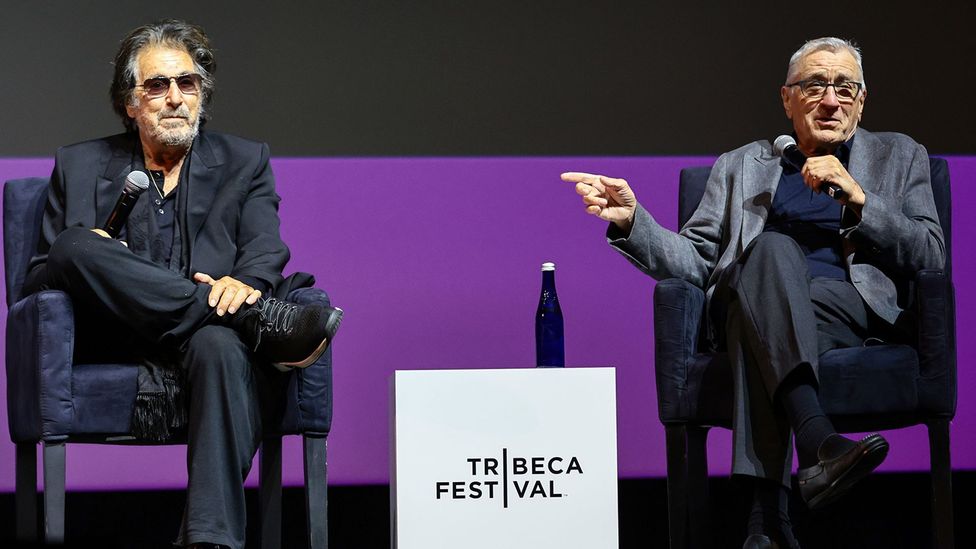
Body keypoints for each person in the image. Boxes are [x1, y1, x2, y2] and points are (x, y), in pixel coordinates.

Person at [563, 37, 944, 549]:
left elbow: (930, 255)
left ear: (861, 100)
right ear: (787, 99)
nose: (831, 100)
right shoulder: (741, 165)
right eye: (814, 85)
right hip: (749, 294)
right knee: (769, 251)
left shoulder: (900, 155)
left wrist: (860, 199)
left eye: (845, 87)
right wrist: (635, 221)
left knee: (753, 322)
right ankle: (818, 444)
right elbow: (697, 261)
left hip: (848, 308)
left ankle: (768, 519)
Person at [23, 19, 343, 549]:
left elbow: (266, 247)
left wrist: (245, 281)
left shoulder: (245, 160)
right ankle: (254, 321)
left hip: (203, 345)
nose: (174, 98)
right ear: (130, 103)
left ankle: (207, 540)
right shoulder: (79, 165)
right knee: (73, 245)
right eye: (156, 85)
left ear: (201, 94)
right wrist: (101, 256)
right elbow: (40, 275)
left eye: (187, 83)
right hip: (115, 332)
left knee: (218, 344)